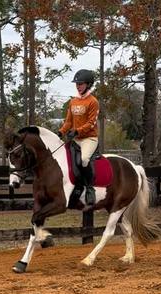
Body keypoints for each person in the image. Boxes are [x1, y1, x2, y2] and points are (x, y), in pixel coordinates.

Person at [58, 69, 99, 205]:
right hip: (76, 139)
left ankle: (89, 188)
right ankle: (76, 187)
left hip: (89, 139)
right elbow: (69, 121)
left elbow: (91, 123)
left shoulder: (93, 101)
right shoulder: (73, 101)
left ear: (88, 84)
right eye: (76, 84)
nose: (78, 86)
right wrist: (61, 132)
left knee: (84, 159)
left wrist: (77, 131)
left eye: (80, 84)